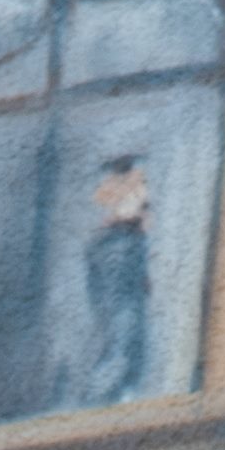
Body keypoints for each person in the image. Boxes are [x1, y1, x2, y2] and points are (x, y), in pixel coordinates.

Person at [84, 159, 153, 403]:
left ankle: (110, 397)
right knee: (122, 343)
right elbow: (118, 296)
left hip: (120, 300)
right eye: (139, 185)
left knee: (121, 344)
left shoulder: (115, 239)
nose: (145, 193)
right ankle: (105, 399)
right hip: (122, 304)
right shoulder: (118, 241)